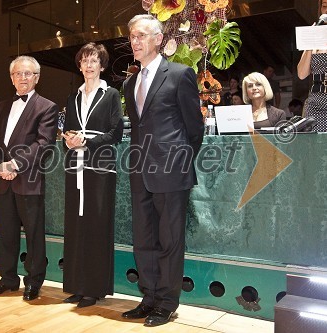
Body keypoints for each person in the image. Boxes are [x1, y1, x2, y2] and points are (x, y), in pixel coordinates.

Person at [121, 14, 204, 327]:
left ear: (158, 39)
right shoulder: (130, 83)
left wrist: (179, 160)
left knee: (170, 240)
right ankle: (150, 296)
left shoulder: (180, 74)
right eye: (132, 37)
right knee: (144, 239)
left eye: (142, 35)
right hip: (139, 170)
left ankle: (168, 303)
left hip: (171, 171)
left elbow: (194, 128)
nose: (136, 42)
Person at [0, 56, 59, 301]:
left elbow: (43, 143)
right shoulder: (1, 106)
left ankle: (34, 281)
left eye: (28, 74)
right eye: (17, 74)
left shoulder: (47, 107)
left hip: (29, 179)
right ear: (11, 77)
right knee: (5, 233)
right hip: (3, 180)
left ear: (36, 77)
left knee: (34, 235)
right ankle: (7, 279)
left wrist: (14, 164)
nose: (22, 78)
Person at [61, 43, 123, 308]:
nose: (88, 65)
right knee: (76, 225)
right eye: (84, 60)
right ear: (79, 65)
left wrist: (86, 141)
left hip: (100, 167)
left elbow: (116, 133)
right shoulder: (72, 97)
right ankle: (76, 285)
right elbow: (68, 129)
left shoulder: (110, 95)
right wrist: (68, 140)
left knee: (97, 226)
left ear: (102, 65)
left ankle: (94, 288)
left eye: (94, 60)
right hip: (75, 166)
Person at [297, 0, 327, 132]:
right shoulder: (316, 41)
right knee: (316, 147)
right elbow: (302, 74)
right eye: (324, 6)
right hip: (316, 101)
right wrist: (310, 41)